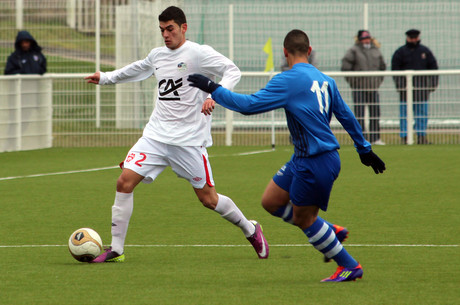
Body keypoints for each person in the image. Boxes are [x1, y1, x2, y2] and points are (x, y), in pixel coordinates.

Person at [188, 29, 386, 282]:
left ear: (285, 52)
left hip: (316, 160)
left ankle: (349, 265)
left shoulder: (288, 79)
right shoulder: (326, 79)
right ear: (310, 51)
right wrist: (364, 148)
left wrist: (212, 87)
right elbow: (346, 115)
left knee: (305, 220)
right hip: (305, 158)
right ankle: (329, 230)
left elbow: (248, 106)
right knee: (271, 201)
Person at [84, 6, 269, 263]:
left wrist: (216, 94)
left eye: (170, 29)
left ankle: (250, 229)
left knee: (208, 199)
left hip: (189, 141)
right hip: (155, 136)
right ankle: (116, 249)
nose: (165, 35)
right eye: (162, 30)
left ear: (183, 27)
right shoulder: (157, 55)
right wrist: (105, 77)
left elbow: (232, 70)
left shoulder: (198, 53)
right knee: (124, 182)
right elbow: (137, 69)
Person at [391, 29, 438, 144]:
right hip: (405, 91)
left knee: (422, 114)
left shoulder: (425, 51)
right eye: (411, 38)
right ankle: (405, 137)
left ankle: (421, 136)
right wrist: (400, 86)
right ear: (407, 38)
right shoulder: (400, 52)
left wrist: (432, 85)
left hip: (422, 90)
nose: (413, 40)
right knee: (404, 115)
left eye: (415, 37)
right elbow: (395, 69)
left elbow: (434, 68)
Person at [341, 30, 386, 145]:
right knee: (359, 114)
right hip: (358, 88)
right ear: (359, 40)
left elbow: (382, 67)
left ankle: (375, 138)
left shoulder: (376, 50)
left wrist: (378, 81)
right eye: (364, 39)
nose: (366, 40)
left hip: (373, 88)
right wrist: (354, 82)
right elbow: (345, 67)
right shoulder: (353, 51)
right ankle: (361, 138)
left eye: (368, 38)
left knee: (375, 113)